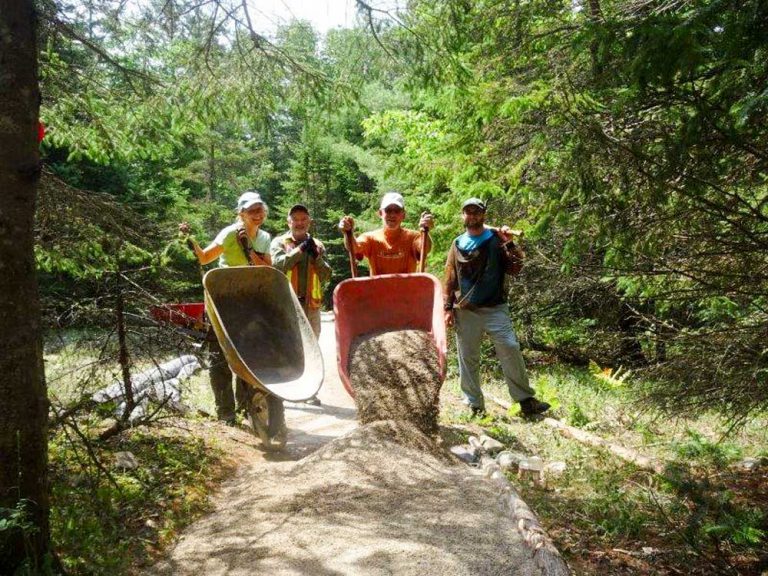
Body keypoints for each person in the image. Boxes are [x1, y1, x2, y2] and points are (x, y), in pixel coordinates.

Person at [443, 197, 550, 418]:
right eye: (468, 212)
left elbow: (515, 268)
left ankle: (525, 401)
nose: (472, 216)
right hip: (465, 309)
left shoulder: (496, 239)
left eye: (476, 212)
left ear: (483, 214)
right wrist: (447, 307)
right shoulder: (457, 243)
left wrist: (509, 243)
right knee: (468, 357)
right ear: (463, 215)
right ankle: (474, 404)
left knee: (510, 348)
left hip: (495, 307)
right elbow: (450, 276)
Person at [180, 190, 272, 424]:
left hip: (249, 302)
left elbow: (267, 270)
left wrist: (248, 249)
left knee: (247, 357)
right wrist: (190, 240)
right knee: (219, 357)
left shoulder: (264, 237)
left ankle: (245, 408)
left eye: (260, 210)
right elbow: (204, 258)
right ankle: (226, 413)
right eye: (251, 211)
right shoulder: (229, 233)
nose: (257, 214)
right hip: (222, 300)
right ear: (241, 213)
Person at [271, 203, 332, 338]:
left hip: (311, 308)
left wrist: (316, 257)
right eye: (295, 219)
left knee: (312, 345)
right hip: (286, 305)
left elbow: (326, 276)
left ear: (309, 222)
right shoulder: (279, 243)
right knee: (288, 344)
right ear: (289, 222)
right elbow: (277, 266)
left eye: (303, 219)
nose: (299, 223)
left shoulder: (318, 245)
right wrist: (300, 250)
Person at [338, 191, 434, 275]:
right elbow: (353, 248)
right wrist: (348, 232)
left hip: (408, 289)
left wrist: (424, 231)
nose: (392, 215)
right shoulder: (370, 238)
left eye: (397, 211)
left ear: (403, 215)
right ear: (380, 213)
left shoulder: (413, 237)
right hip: (379, 290)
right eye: (388, 210)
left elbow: (425, 249)